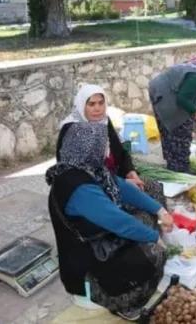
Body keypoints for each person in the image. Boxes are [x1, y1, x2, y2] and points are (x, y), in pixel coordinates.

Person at [46, 104, 174, 321]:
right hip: (86, 264)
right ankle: (123, 302)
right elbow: (120, 223)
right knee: (153, 253)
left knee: (147, 218)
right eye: (103, 144)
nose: (107, 148)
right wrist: (154, 239)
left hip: (95, 241)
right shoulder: (78, 187)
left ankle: (120, 284)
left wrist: (160, 210)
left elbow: (122, 187)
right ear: (88, 147)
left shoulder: (86, 168)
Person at [57, 84, 144, 190]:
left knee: (150, 187)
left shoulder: (104, 121)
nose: (97, 108)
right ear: (82, 105)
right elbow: (84, 173)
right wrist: (123, 182)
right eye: (91, 104)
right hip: (88, 187)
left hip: (113, 177)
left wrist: (130, 171)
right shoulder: (73, 129)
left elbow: (120, 151)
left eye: (101, 103)